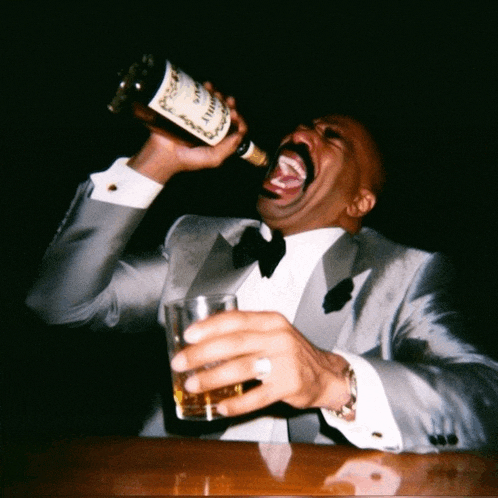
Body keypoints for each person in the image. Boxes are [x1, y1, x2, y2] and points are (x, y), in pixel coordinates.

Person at [26, 88, 498, 454]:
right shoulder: (196, 240)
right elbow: (60, 303)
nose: (301, 132)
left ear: (359, 201)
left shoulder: (405, 273)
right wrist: (158, 158)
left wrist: (337, 382)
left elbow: (486, 400)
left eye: (332, 136)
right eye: (305, 125)